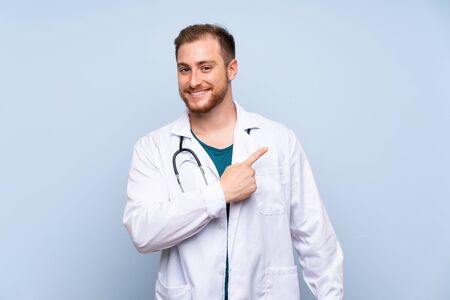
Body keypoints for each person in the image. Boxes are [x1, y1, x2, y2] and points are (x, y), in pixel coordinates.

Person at [123, 24, 344, 300]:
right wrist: (219, 194)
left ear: (232, 69)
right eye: (184, 69)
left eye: (205, 67)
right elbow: (143, 233)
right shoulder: (153, 148)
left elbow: (315, 236)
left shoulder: (279, 141)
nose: (193, 81)